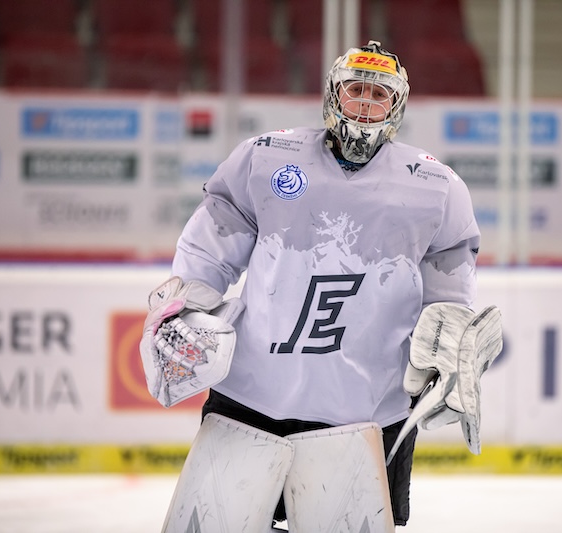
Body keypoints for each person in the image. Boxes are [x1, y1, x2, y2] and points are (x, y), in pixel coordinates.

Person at [140, 40, 483, 530]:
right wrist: (189, 302)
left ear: (397, 106)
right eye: (355, 89)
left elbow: (449, 281)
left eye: (379, 94)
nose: (365, 103)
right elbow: (213, 240)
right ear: (332, 94)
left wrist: (449, 339)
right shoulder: (265, 157)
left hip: (369, 406)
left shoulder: (436, 186)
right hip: (253, 396)